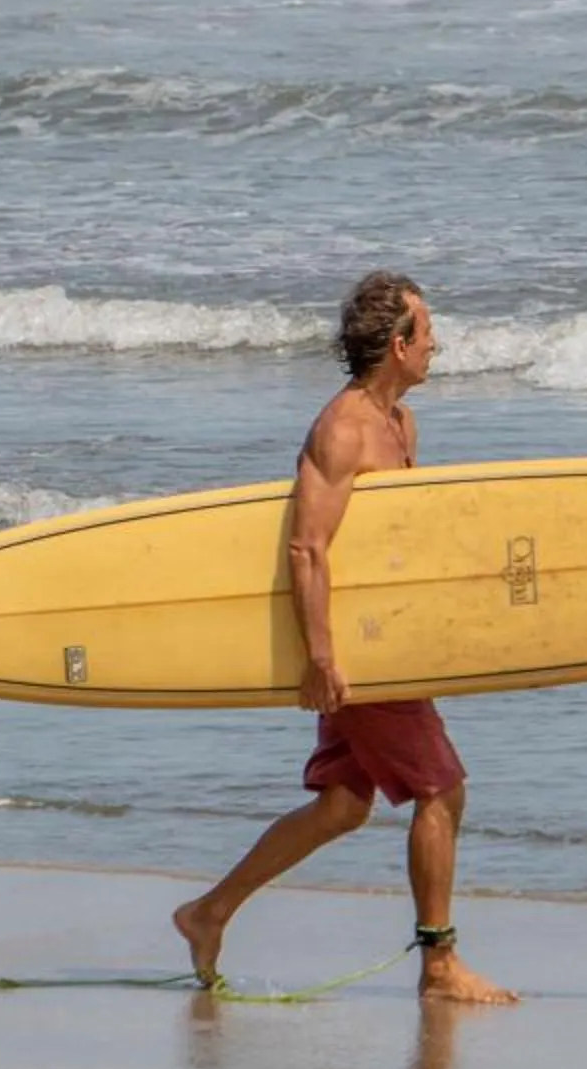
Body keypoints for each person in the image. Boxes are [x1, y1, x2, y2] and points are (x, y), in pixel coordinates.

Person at [173, 272, 518, 1006]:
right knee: (442, 793)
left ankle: (208, 913)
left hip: (382, 637)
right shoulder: (343, 429)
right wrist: (322, 658)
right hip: (352, 652)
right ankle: (439, 965)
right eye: (428, 333)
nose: (438, 346)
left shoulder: (400, 424)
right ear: (398, 345)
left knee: (342, 805)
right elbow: (307, 548)